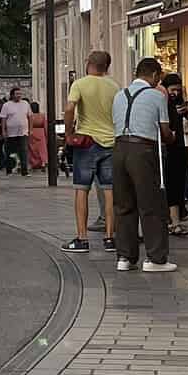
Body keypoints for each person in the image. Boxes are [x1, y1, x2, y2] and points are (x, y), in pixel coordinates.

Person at [111, 57, 176, 273]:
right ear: (156, 75)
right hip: (143, 150)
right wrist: (172, 138)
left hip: (119, 149)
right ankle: (156, 258)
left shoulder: (119, 95)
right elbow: (164, 130)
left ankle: (125, 257)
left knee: (123, 204)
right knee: (151, 203)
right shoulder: (156, 95)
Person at [62, 51, 120, 254]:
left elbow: (70, 109)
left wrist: (69, 133)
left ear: (88, 64)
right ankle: (110, 237)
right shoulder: (114, 87)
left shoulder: (79, 84)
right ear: (107, 67)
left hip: (86, 142)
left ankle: (82, 238)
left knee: (81, 189)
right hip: (110, 142)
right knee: (110, 190)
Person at [161, 73, 188, 237]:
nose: (175, 93)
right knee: (171, 184)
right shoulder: (161, 103)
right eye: (172, 90)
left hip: (181, 147)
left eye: (178, 90)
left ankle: (175, 218)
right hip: (168, 148)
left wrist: (187, 109)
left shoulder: (182, 103)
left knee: (178, 184)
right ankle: (174, 221)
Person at [0, 87, 32, 176]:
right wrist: (3, 131)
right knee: (9, 152)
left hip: (23, 132)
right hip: (10, 133)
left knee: (24, 151)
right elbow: (3, 119)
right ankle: (9, 170)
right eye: (17, 94)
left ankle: (24, 171)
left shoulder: (25, 104)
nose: (19, 96)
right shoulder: (6, 105)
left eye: (20, 94)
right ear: (12, 95)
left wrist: (30, 129)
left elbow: (30, 117)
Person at [28, 102, 48, 170]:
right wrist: (46, 135)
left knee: (33, 149)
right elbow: (45, 126)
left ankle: (34, 163)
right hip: (41, 133)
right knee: (42, 149)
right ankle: (43, 162)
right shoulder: (42, 116)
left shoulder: (29, 116)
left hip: (32, 132)